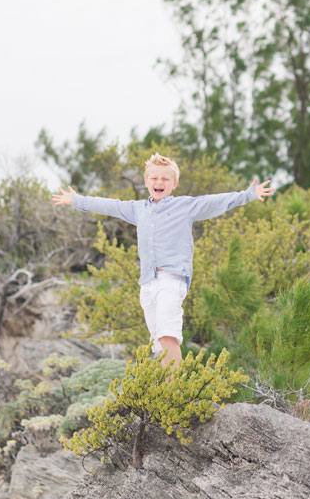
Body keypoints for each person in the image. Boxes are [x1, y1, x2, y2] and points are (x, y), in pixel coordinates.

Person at [52, 153, 275, 368]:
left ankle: (176, 392)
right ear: (146, 181)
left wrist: (248, 195)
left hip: (172, 278)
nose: (159, 182)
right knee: (157, 345)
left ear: (174, 183)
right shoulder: (138, 209)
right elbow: (109, 205)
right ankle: (165, 391)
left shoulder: (185, 206)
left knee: (168, 336)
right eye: (154, 178)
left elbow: (215, 202)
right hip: (148, 282)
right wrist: (76, 200)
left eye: (165, 179)